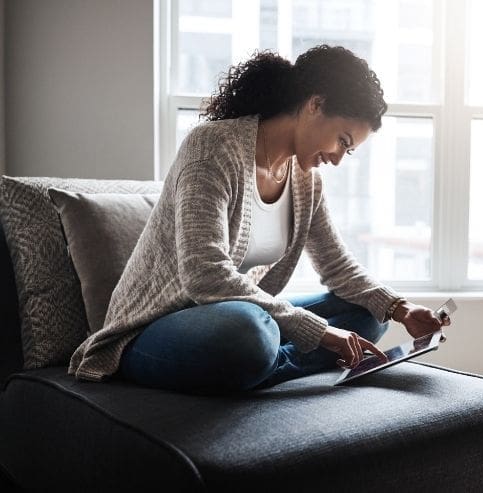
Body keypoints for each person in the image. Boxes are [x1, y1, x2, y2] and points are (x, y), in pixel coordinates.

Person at [68, 45, 451, 393]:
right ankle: (265, 361)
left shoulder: (306, 182)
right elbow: (205, 274)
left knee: (369, 315)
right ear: (315, 104)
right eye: (342, 141)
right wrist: (316, 332)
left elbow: (337, 266)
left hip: (238, 317)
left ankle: (259, 367)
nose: (337, 157)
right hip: (156, 329)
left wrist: (400, 308)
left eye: (347, 152)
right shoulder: (213, 147)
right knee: (248, 333)